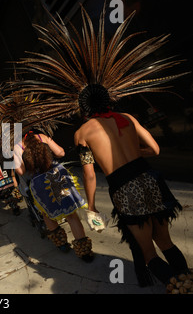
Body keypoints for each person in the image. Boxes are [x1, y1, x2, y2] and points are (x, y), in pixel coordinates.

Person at [74, 84, 189, 287]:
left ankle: (180, 289)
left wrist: (91, 207)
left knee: (149, 253)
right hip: (150, 179)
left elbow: (89, 174)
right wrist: (133, 150)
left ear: (83, 107)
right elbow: (154, 149)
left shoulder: (82, 133)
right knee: (166, 242)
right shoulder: (127, 118)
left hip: (125, 189)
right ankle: (187, 282)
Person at [17, 131, 94, 262]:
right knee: (71, 214)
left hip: (40, 184)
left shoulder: (18, 146)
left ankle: (62, 244)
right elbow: (61, 153)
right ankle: (84, 251)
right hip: (58, 177)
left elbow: (21, 171)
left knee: (46, 213)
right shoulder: (43, 137)